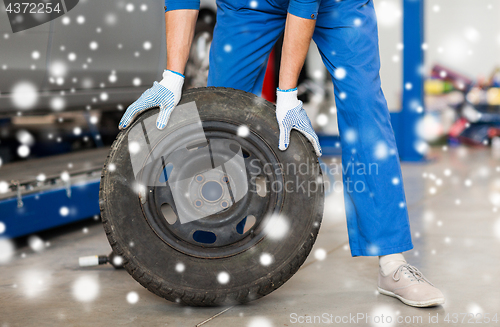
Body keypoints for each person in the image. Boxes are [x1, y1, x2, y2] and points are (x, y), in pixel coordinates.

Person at [118, 0, 445, 308]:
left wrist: (287, 94)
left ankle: (392, 262)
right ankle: (200, 243)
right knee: (220, 107)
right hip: (249, 5)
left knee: (364, 106)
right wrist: (172, 77)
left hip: (339, 6)